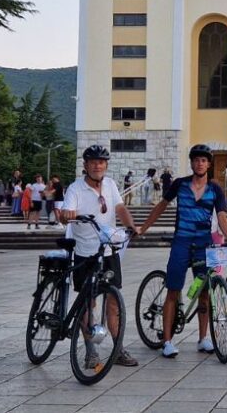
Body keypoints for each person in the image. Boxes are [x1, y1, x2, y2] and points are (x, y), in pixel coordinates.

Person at [137, 144, 227, 358]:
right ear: (191, 163)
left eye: (203, 160)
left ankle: (203, 338)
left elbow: (221, 216)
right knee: (174, 290)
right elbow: (161, 206)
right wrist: (143, 228)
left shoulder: (215, 189)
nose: (199, 163)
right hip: (181, 242)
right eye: (196, 160)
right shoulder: (180, 184)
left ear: (209, 164)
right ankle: (167, 341)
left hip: (203, 244)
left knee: (204, 291)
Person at [59, 145, 141, 371]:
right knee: (89, 303)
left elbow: (120, 208)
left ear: (106, 165)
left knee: (113, 301)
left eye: (102, 162)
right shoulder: (75, 189)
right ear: (85, 166)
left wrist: (130, 225)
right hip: (85, 252)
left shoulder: (111, 184)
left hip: (108, 251)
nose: (97, 165)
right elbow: (67, 213)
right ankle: (91, 352)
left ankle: (118, 349)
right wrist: (67, 215)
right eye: (93, 162)